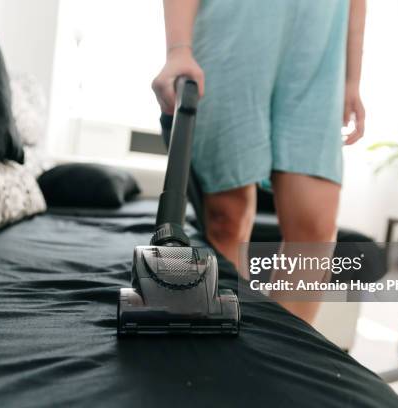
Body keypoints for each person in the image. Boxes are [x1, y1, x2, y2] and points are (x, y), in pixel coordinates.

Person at [152, 0, 366, 324]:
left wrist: (352, 80)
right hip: (233, 28)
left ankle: (284, 356)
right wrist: (178, 49)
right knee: (228, 216)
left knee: (315, 230)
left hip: (320, 40)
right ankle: (226, 346)